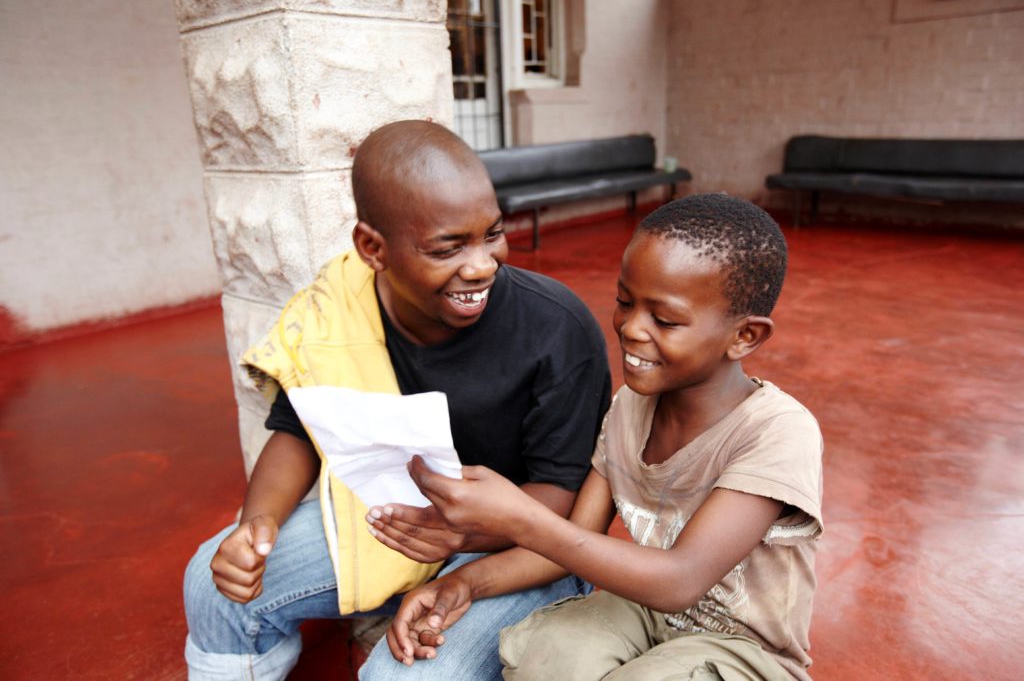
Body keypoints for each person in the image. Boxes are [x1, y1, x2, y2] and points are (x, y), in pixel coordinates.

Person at [182, 120, 611, 680]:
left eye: (492, 233)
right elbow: (298, 430)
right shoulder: (335, 309)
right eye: (447, 248)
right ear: (372, 248)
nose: (481, 264)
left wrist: (461, 542)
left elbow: (561, 499)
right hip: (394, 521)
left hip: (527, 547)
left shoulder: (557, 326)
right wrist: (256, 526)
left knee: (404, 677)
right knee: (211, 585)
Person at [369, 193, 824, 680]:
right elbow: (577, 541)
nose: (631, 328)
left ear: (745, 337)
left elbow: (680, 580)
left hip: (743, 648)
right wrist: (464, 584)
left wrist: (521, 517)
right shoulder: (630, 406)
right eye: (625, 302)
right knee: (548, 655)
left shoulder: (776, 432)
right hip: (646, 615)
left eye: (664, 320)